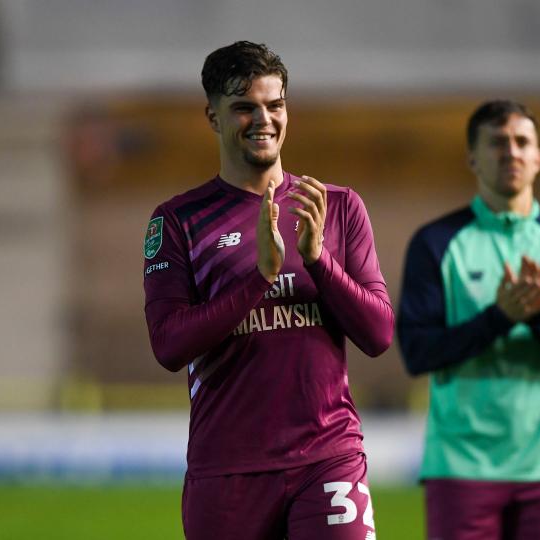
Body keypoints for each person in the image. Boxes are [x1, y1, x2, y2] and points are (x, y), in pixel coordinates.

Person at [142, 41, 392, 540]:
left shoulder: (336, 207)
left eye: (274, 105)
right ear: (212, 116)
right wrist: (258, 278)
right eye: (244, 108)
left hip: (328, 457)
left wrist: (319, 260)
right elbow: (169, 345)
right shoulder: (177, 220)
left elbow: (379, 333)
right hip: (227, 469)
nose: (263, 119)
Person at [397, 99, 540, 540]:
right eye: (497, 142)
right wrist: (499, 317)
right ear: (472, 158)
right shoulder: (436, 243)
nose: (510, 152)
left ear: (538, 157)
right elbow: (417, 353)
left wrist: (538, 317)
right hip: (460, 465)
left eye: (521, 142)